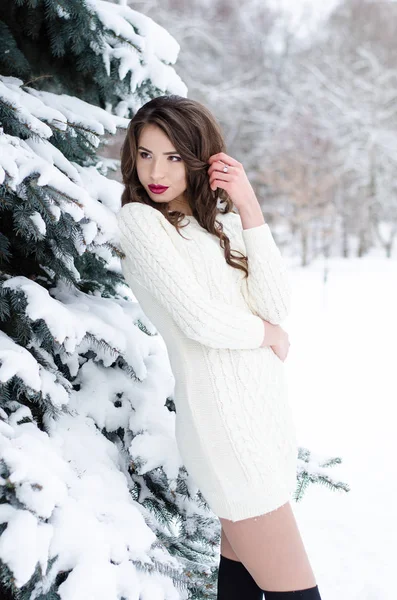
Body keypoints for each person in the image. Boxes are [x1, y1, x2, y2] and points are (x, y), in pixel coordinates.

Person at [116, 95, 322, 599]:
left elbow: (273, 300)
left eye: (173, 157)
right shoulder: (143, 223)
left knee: (242, 586)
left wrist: (249, 208)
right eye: (145, 154)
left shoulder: (222, 224)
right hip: (227, 430)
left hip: (262, 420)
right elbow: (199, 320)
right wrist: (267, 336)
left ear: (200, 159)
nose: (156, 172)